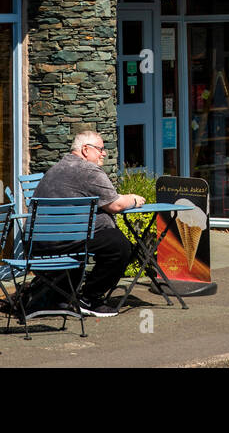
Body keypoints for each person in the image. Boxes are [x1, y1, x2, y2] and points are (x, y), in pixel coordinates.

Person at [25, 130, 147, 317]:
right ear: (85, 150)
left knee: (110, 240)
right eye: (100, 149)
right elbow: (116, 205)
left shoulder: (57, 168)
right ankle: (90, 299)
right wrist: (133, 199)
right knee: (119, 245)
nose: (104, 154)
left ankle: (63, 295)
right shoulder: (88, 170)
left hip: (39, 242)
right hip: (65, 240)